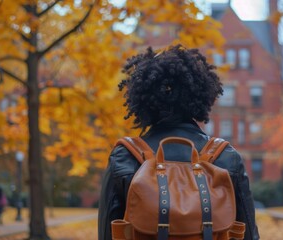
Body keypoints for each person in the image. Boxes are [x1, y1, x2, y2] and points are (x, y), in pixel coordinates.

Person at [98, 45, 259, 239]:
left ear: (143, 100)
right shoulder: (226, 157)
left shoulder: (125, 156)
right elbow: (248, 233)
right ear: (200, 96)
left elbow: (107, 234)